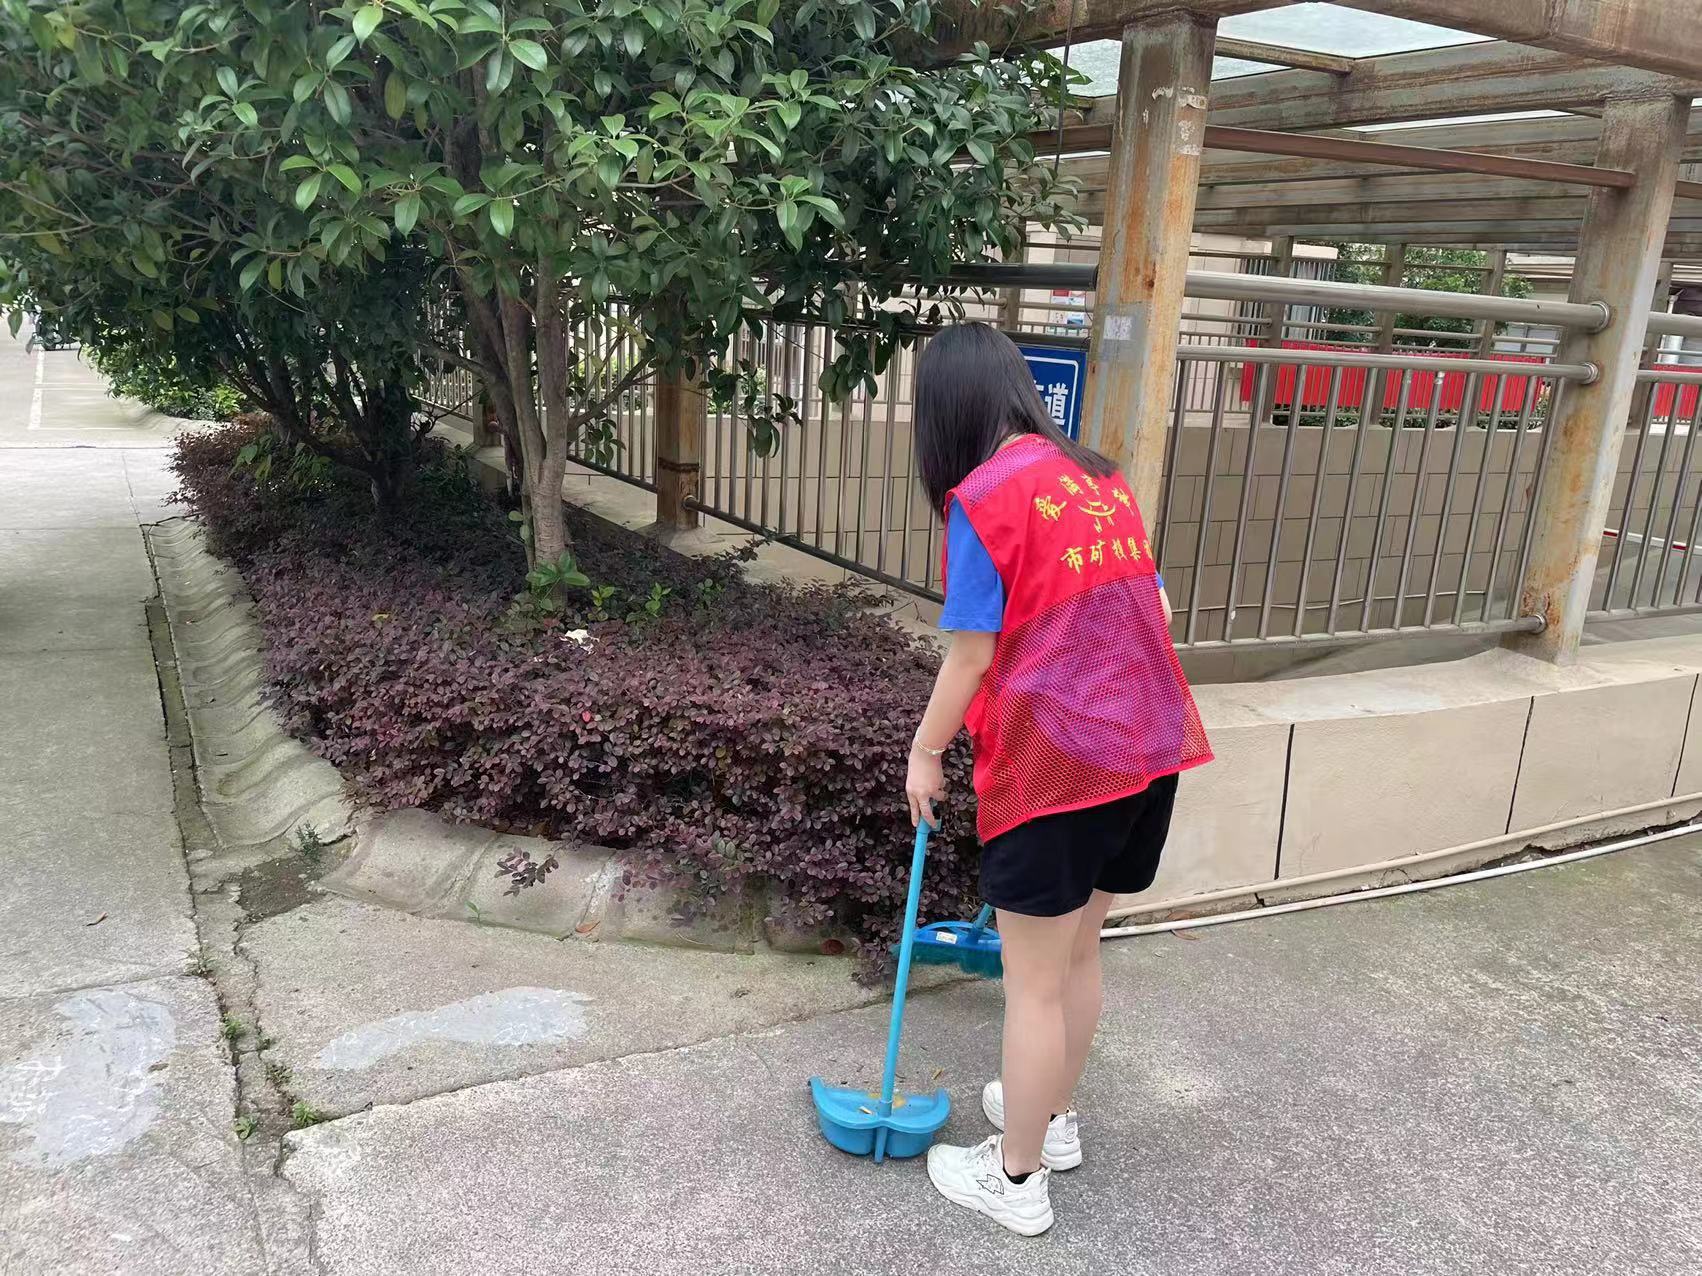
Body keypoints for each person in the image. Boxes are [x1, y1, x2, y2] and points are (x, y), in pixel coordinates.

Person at [904, 323, 1212, 1237]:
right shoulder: (1100, 477)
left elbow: (971, 656)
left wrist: (925, 752)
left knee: (1032, 985)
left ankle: (1015, 1178)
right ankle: (1055, 1121)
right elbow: (1157, 606)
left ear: (946, 410)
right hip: (1146, 750)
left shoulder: (983, 499)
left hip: (1055, 771)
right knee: (1079, 956)